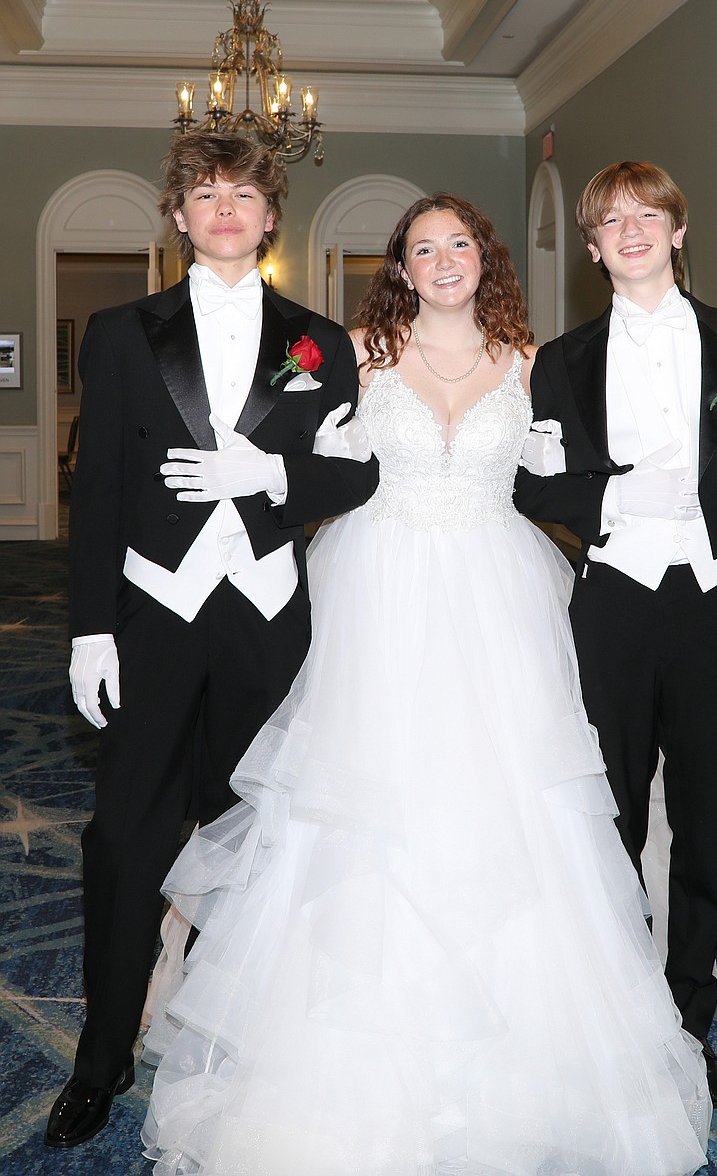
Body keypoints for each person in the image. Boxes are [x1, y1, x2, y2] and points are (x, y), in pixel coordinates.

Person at [140, 192, 711, 1176]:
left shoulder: (536, 364)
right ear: (398, 267)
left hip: (500, 595)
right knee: (366, 804)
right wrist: (255, 468)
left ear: (484, 260)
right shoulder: (349, 352)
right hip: (380, 592)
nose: (443, 260)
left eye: (459, 245)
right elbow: (283, 443)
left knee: (511, 804)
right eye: (421, 248)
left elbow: (559, 481)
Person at [44, 133, 378, 1149]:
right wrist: (92, 629)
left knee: (259, 842)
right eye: (204, 192)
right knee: (126, 839)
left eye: (244, 192)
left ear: (271, 216)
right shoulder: (118, 331)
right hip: (155, 611)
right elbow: (96, 485)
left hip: (268, 617)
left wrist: (270, 480)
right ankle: (101, 1056)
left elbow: (356, 476)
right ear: (178, 216)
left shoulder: (322, 339)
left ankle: (233, 1045)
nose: (225, 206)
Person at [516, 161, 717, 1109]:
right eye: (610, 221)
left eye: (649, 215)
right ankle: (616, 1006)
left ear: (678, 231)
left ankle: (685, 1020)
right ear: (592, 248)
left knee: (704, 820)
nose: (630, 230)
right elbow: (534, 486)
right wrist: (608, 494)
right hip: (616, 606)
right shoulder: (560, 361)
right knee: (615, 816)